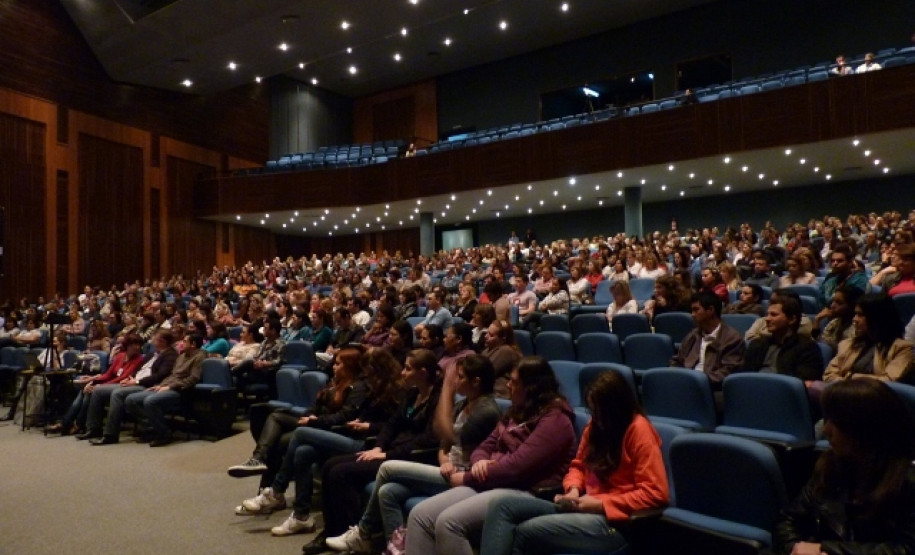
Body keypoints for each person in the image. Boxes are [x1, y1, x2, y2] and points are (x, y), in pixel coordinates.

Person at [481, 370, 670, 555]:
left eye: (601, 412)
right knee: (502, 506)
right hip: (582, 507)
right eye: (593, 411)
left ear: (618, 407)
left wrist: (600, 504)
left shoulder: (639, 430)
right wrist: (572, 490)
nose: (596, 418)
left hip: (615, 522)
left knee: (526, 531)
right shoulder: (595, 426)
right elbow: (578, 466)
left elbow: (655, 493)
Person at [325, 354, 502, 552]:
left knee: (386, 468)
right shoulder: (463, 404)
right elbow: (444, 444)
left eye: (460, 377)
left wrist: (446, 390)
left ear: (476, 382)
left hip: (463, 477)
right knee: (387, 491)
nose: (455, 381)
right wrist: (444, 459)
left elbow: (449, 435)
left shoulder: (487, 410)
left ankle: (363, 532)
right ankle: (398, 549)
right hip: (447, 469)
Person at [402, 356, 577, 555]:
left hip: (526, 489)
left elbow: (517, 467)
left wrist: (471, 475)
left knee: (449, 522)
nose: (507, 385)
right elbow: (485, 446)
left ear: (531, 388)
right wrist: (479, 463)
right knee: (420, 514)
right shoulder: (516, 411)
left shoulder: (556, 420)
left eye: (514, 381)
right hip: (493, 480)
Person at [233, 348, 404, 537]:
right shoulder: (372, 387)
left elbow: (393, 425)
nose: (365, 373)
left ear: (378, 368)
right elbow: (358, 415)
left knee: (300, 434)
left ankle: (276, 490)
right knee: (303, 451)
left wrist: (368, 426)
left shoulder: (389, 391)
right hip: (349, 433)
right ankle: (301, 516)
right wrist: (360, 422)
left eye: (369, 368)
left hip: (363, 442)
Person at [301, 349, 443, 555]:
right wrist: (379, 446)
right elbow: (392, 424)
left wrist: (386, 455)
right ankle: (332, 531)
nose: (403, 372)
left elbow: (427, 439)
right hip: (390, 450)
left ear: (423, 372)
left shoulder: (437, 400)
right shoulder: (413, 394)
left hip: (412, 457)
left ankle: (353, 534)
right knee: (330, 466)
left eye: (408, 369)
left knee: (341, 473)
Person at [771, 379, 915, 554]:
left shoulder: (907, 482)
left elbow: (906, 549)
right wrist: (794, 547)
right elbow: (788, 521)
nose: (826, 431)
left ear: (864, 429)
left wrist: (827, 550)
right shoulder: (831, 465)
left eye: (836, 422)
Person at [83, 329, 179, 445]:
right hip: (134, 381)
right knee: (98, 391)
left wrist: (137, 381)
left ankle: (110, 434)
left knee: (117, 393)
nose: (151, 340)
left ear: (162, 341)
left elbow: (159, 375)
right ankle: (93, 428)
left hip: (146, 385)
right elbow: (139, 370)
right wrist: (130, 378)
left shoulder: (171, 355)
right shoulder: (151, 354)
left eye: (154, 338)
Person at [47, 333, 144, 437]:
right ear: (127, 345)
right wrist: (93, 381)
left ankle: (74, 424)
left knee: (91, 392)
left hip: (120, 385)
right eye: (134, 344)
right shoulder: (120, 356)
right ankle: (71, 423)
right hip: (110, 384)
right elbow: (108, 374)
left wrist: (100, 386)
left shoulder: (139, 359)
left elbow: (123, 377)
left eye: (138, 345)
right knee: (86, 389)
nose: (137, 347)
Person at [125, 332, 206, 446]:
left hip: (181, 391)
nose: (181, 343)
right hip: (168, 386)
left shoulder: (200, 357)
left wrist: (169, 387)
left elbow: (193, 379)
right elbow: (172, 375)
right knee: (132, 399)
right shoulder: (182, 355)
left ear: (193, 344)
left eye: (185, 341)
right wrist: (161, 385)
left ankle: (164, 434)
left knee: (150, 401)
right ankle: (151, 429)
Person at [823, 293, 914, 383]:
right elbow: (829, 375)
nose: (854, 319)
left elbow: (889, 381)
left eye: (860, 315)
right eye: (855, 314)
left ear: (877, 318)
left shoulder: (902, 349)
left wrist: (851, 377)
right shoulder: (847, 344)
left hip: (876, 396)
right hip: (840, 392)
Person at [671, 291, 746, 386]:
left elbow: (727, 371)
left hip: (712, 388)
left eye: (696, 310)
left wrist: (697, 381)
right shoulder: (693, 334)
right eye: (692, 311)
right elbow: (678, 360)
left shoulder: (732, 338)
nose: (692, 315)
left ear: (710, 310)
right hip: (686, 384)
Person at [740, 296, 823, 380]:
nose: (767, 319)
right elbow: (743, 377)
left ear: (791, 319)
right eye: (767, 314)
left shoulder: (807, 348)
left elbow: (802, 385)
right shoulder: (757, 343)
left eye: (773, 315)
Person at [813, 285, 863, 350]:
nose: (832, 306)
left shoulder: (857, 329)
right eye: (833, 301)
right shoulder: (835, 322)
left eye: (839, 303)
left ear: (852, 306)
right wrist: (817, 320)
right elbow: (819, 345)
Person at [482, 319, 523, 398]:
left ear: (502, 338)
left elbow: (485, 372)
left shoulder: (506, 350)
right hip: (489, 392)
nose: (485, 336)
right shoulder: (488, 348)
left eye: (491, 335)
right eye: (487, 332)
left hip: (499, 394)